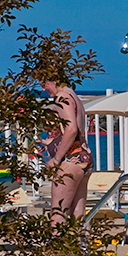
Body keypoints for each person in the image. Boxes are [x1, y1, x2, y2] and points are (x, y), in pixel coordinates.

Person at [39, 78, 92, 226]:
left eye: (44, 84)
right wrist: (50, 144)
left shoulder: (62, 97)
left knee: (58, 214)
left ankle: (56, 248)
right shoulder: (73, 95)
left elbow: (71, 128)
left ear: (54, 80)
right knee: (78, 216)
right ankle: (83, 248)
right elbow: (74, 133)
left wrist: (56, 158)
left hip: (71, 160)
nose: (43, 89)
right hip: (84, 157)